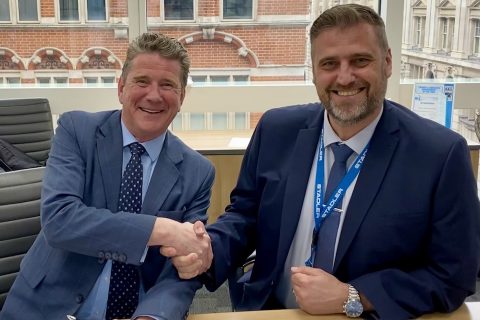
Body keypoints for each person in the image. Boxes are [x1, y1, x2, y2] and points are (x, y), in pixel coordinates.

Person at [168, 4, 480, 319]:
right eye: (329, 63)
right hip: (272, 311)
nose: (344, 77)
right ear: (314, 69)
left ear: (387, 62)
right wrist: (208, 250)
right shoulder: (277, 130)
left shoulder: (439, 154)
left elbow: (454, 275)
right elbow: (245, 217)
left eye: (360, 60)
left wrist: (355, 297)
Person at [0, 32, 214, 320]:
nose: (154, 95)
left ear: (181, 96)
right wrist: (163, 229)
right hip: (46, 307)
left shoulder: (198, 172)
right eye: (142, 82)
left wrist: (151, 316)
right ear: (121, 88)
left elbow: (180, 271)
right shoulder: (77, 130)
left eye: (167, 85)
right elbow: (60, 220)